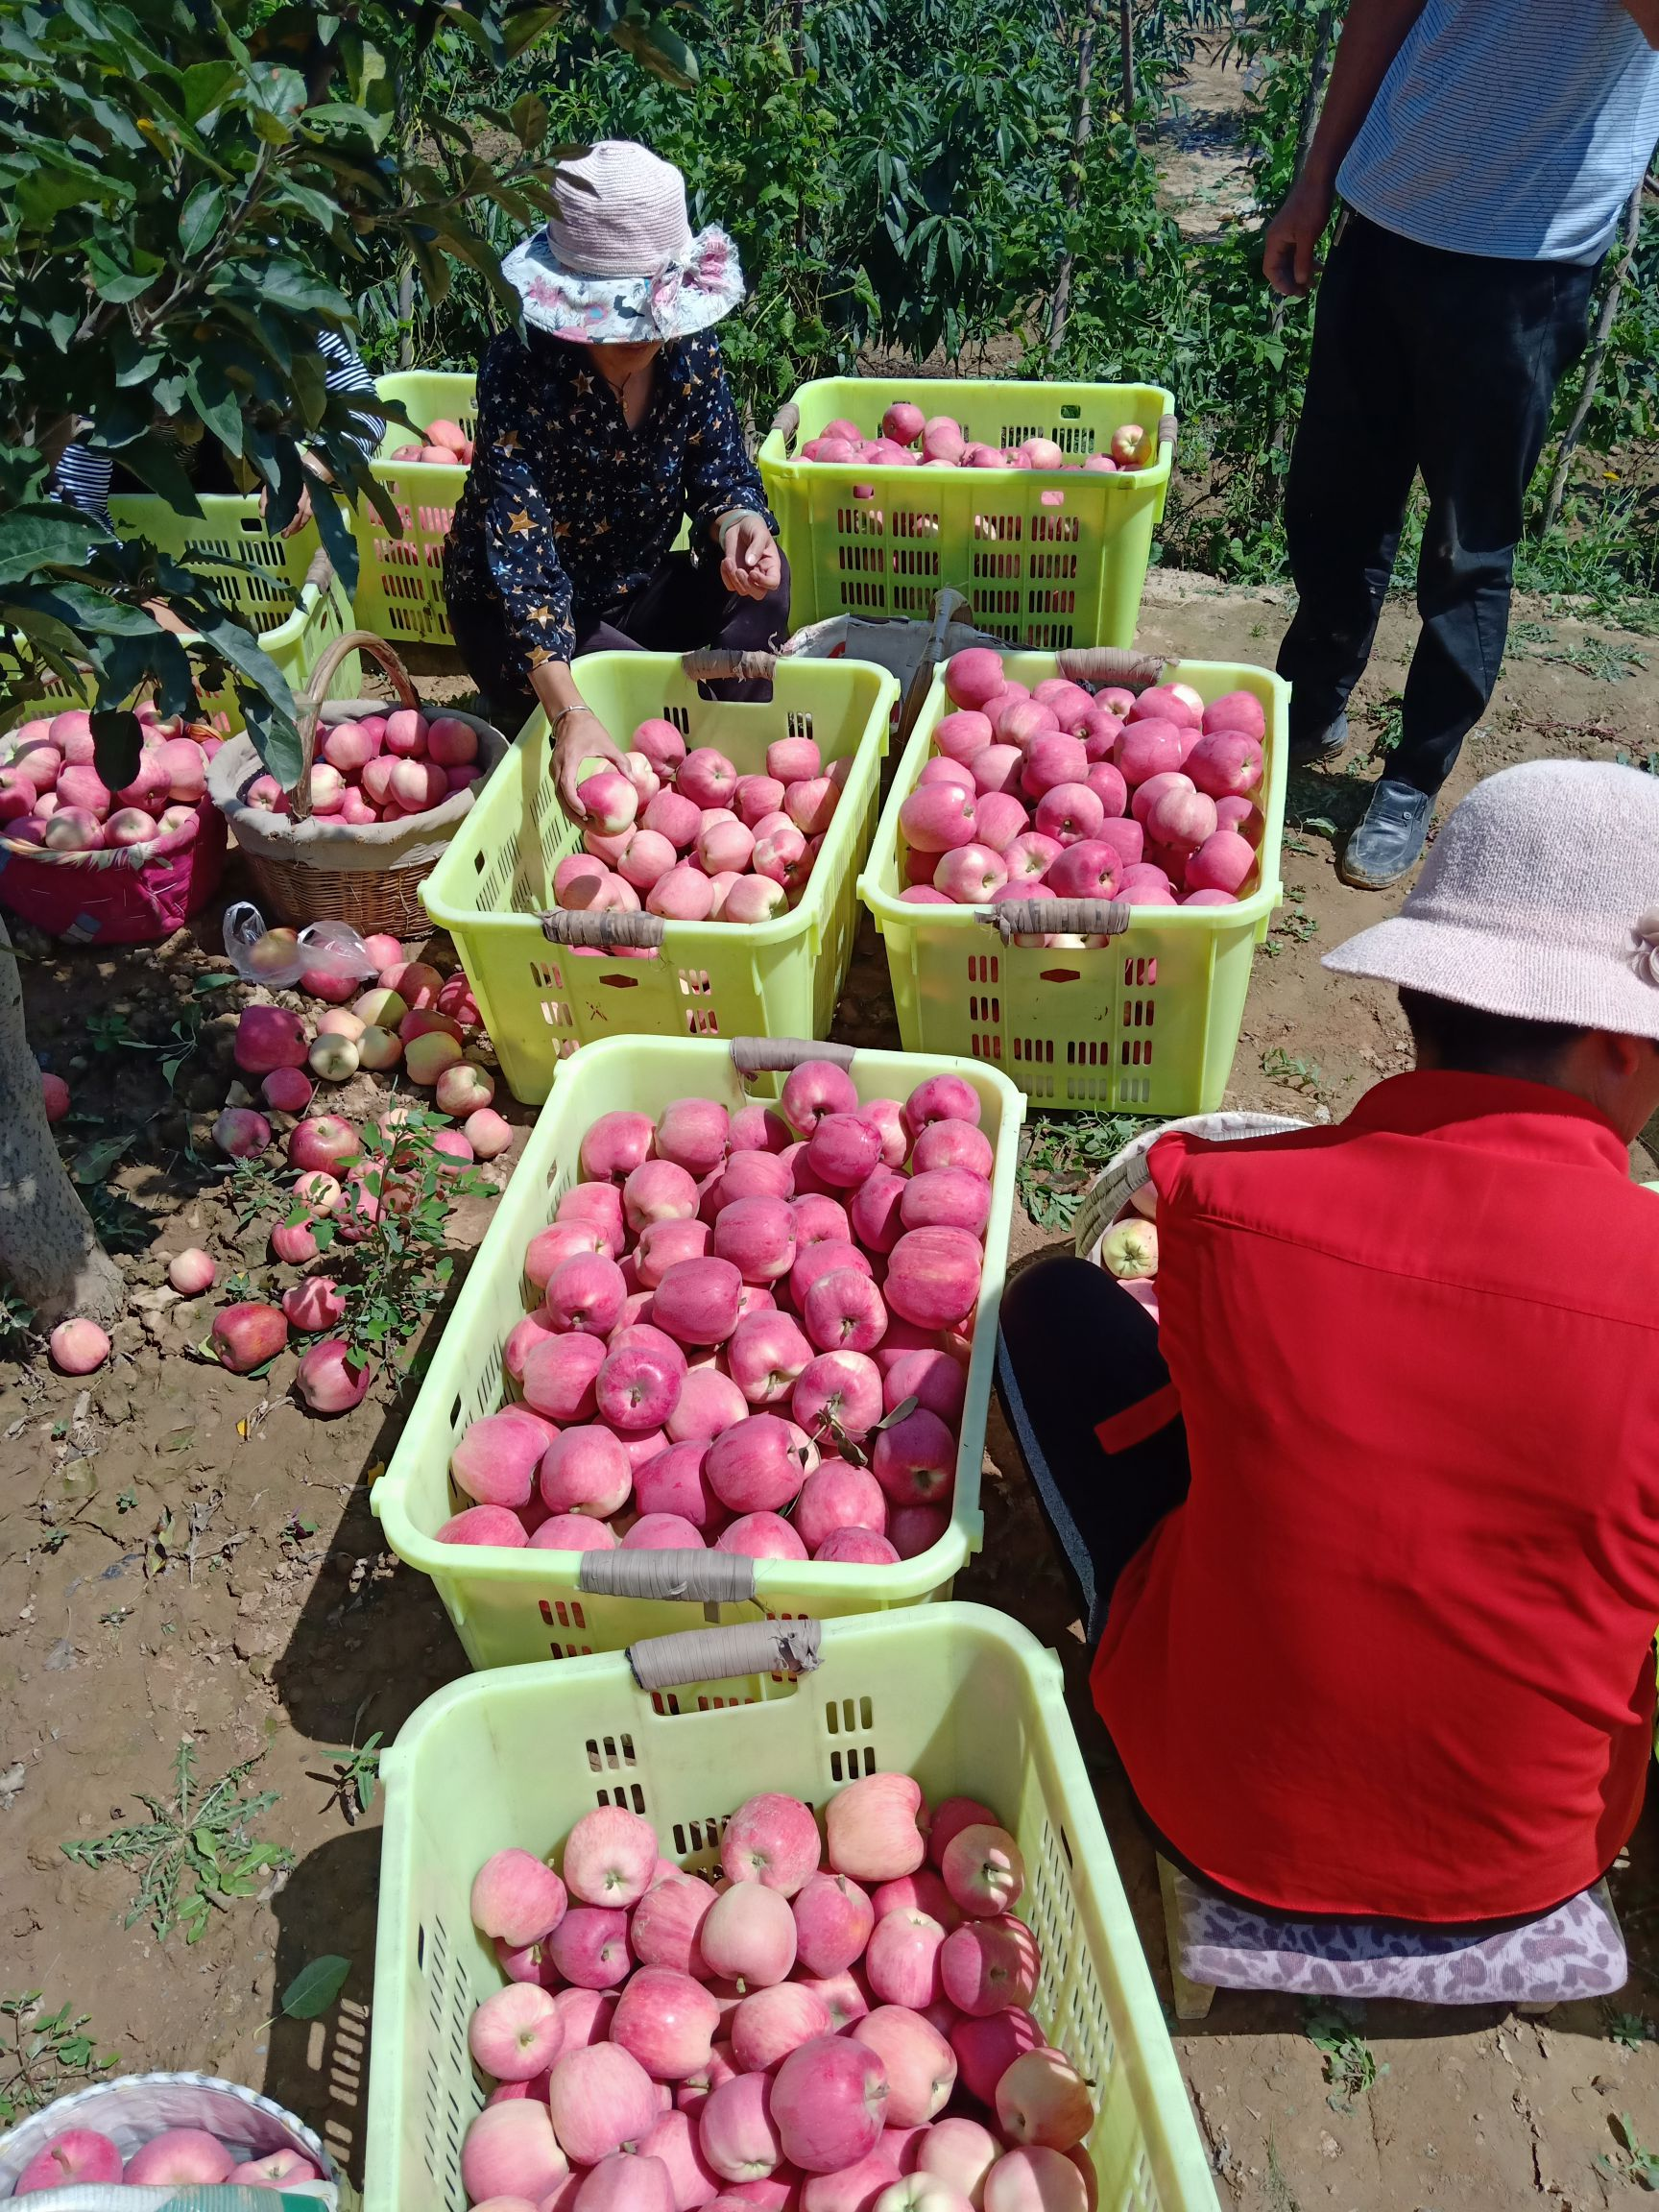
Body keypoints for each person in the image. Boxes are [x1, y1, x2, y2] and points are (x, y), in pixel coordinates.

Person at [997, 759, 1659, 1930]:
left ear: (1419, 996)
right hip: (1526, 1866)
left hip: (1213, 1810)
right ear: (1623, 1041)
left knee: (1050, 1306)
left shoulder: (1223, 1203)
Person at [1264, 0, 1659, 890]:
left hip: (1527, 256)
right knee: (1332, 501)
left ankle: (1414, 772)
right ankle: (1311, 703)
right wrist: (1317, 173)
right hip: (1387, 208)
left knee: (1467, 544)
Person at [443, 141, 789, 817]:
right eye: (623, 322)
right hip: (527, 615)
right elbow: (524, 565)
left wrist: (737, 529)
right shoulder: (519, 370)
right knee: (614, 686)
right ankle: (634, 753)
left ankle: (710, 774)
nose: (647, 334)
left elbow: (720, 474)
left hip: (636, 585)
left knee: (766, 601)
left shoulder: (689, 352)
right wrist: (570, 710)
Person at [52, 327, 385, 541]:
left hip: (236, 506)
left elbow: (366, 412)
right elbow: (77, 521)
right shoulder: (99, 341)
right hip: (131, 513)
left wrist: (312, 468)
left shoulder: (271, 305)